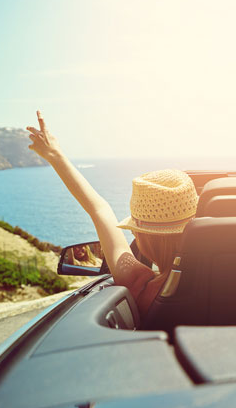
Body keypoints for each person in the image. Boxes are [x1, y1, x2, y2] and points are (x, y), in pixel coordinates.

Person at [27, 111, 198, 313]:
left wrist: (55, 155)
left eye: (135, 231)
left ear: (143, 237)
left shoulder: (141, 286)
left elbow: (99, 210)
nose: (133, 234)